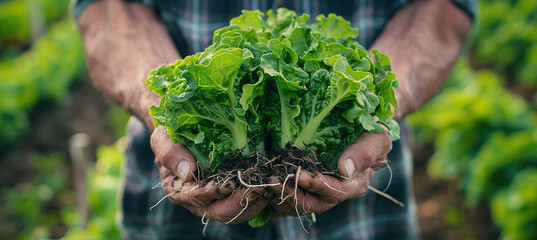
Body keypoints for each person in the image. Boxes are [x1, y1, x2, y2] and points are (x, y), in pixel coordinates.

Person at [75, 0, 474, 239]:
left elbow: (442, 11)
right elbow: (110, 11)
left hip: (360, 206)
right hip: (184, 191)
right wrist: (158, 106)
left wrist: (383, 102)